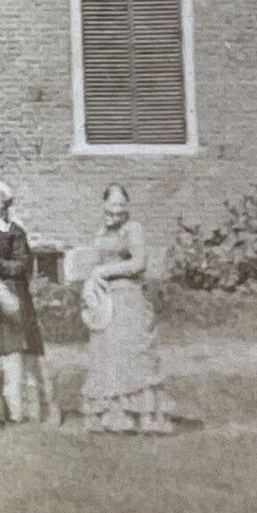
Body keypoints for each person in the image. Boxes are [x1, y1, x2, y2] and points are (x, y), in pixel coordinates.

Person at [77, 184, 176, 435]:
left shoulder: (134, 229)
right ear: (104, 205)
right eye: (113, 204)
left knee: (132, 352)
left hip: (129, 297)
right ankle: (115, 412)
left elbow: (139, 262)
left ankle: (143, 413)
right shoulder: (101, 232)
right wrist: (92, 280)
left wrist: (105, 271)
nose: (117, 209)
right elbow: (96, 262)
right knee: (108, 354)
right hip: (106, 298)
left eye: (122, 204)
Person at [0, 180, 57, 425]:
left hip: (11, 296)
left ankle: (20, 410)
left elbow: (23, 266)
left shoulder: (15, 231)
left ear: (4, 203)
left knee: (13, 351)